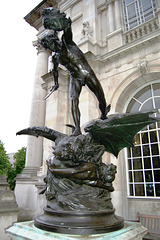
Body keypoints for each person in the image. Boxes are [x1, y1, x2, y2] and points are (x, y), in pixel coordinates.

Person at [40, 8, 110, 136]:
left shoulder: (68, 42)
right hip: (75, 77)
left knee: (101, 97)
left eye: (49, 44)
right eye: (47, 47)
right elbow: (54, 71)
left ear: (53, 40)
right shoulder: (55, 57)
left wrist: (58, 22)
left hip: (86, 72)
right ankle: (77, 128)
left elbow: (67, 27)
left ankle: (104, 114)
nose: (50, 48)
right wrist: (55, 83)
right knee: (73, 100)